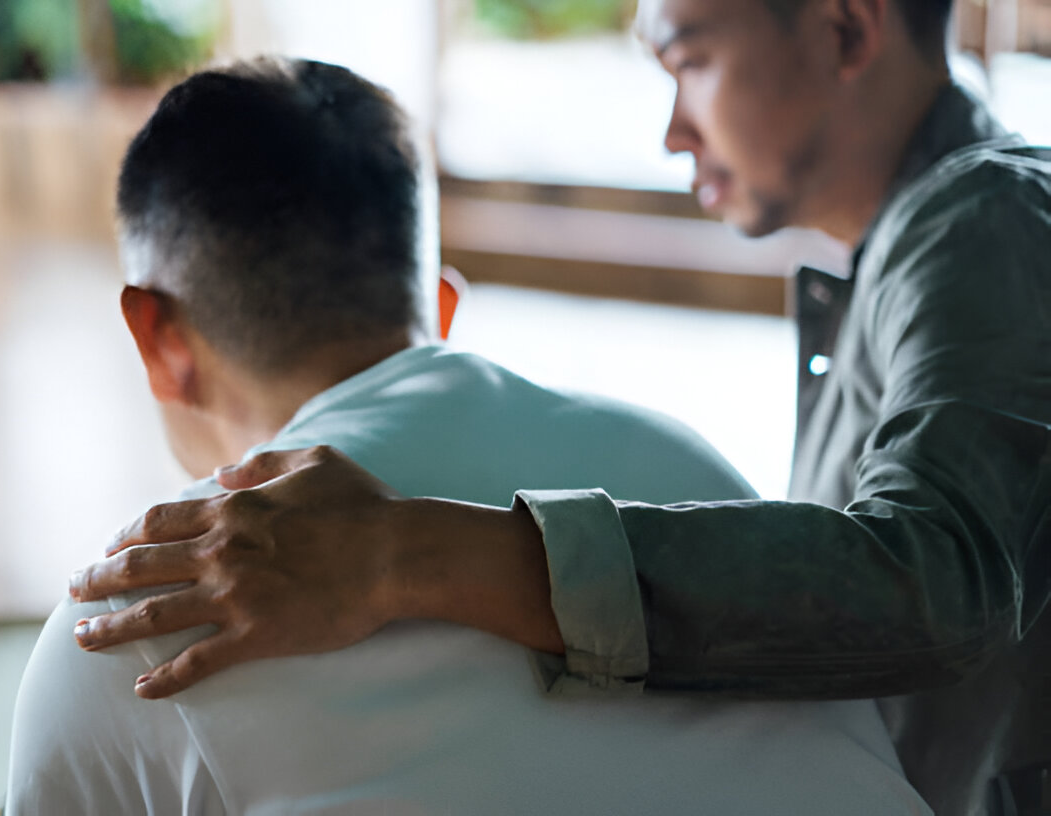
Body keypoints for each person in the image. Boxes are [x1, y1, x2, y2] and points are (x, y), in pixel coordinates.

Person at [69, 3, 1051, 813]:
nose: (672, 127)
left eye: (692, 60)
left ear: (846, 28)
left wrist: (396, 554)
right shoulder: (918, 253)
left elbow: (940, 584)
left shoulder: (986, 216)